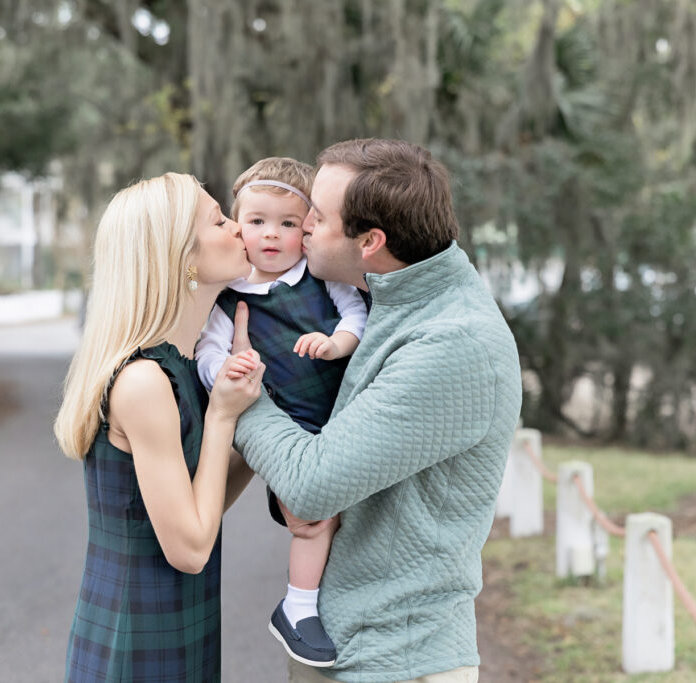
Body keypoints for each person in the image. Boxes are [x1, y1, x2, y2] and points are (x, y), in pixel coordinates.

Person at [226, 139, 523, 683]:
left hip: (395, 657)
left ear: (371, 241)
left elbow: (310, 485)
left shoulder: (454, 343)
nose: (303, 224)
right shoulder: (388, 296)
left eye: (317, 214)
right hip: (345, 641)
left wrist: (238, 396)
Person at [54, 172, 264, 683]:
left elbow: (201, 503)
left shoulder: (185, 364)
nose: (239, 228)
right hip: (136, 645)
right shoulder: (144, 380)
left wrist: (265, 424)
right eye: (218, 220)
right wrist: (222, 416)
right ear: (183, 258)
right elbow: (190, 549)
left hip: (179, 629)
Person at [195, 157, 368, 667]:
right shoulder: (227, 300)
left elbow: (356, 313)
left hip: (346, 417)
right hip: (293, 432)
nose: (272, 235)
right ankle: (299, 606)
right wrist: (225, 371)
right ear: (237, 227)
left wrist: (338, 343)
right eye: (257, 222)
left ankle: (344, 600)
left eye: (288, 224)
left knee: (352, 517)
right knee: (311, 520)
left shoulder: (318, 276)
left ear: (307, 231)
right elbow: (208, 353)